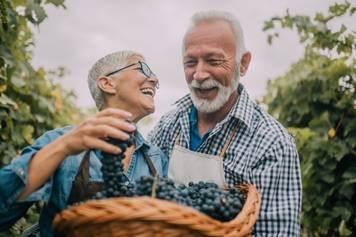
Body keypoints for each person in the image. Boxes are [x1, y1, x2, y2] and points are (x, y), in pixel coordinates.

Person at [147, 11, 301, 236]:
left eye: (213, 61)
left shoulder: (271, 143)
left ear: (243, 64)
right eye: (190, 62)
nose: (199, 74)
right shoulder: (168, 126)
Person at [0, 50, 168, 237]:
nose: (154, 79)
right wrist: (63, 148)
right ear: (107, 83)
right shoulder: (60, 142)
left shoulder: (156, 158)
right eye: (143, 68)